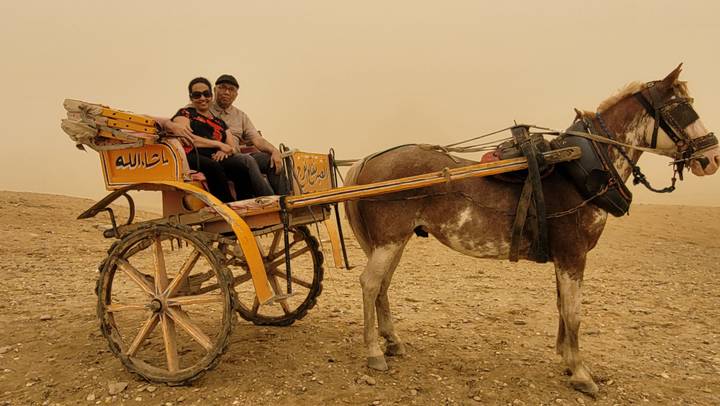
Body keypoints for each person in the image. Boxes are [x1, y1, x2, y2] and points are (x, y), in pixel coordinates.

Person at [171, 77, 274, 202]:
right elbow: (185, 137)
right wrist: (218, 144)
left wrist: (225, 151)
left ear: (211, 95)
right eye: (197, 95)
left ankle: (246, 203)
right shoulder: (186, 113)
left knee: (240, 167)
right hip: (193, 154)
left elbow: (231, 146)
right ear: (191, 97)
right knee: (214, 166)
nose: (202, 98)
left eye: (206, 94)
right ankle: (227, 204)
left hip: (215, 155)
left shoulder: (220, 122)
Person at [211, 74, 290, 195]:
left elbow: (257, 139)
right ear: (215, 89)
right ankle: (270, 200)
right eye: (222, 87)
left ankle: (285, 200)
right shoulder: (204, 108)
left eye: (231, 89)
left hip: (236, 156)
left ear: (236, 95)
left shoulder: (240, 116)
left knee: (270, 160)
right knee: (247, 160)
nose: (226, 92)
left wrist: (274, 151)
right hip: (216, 157)